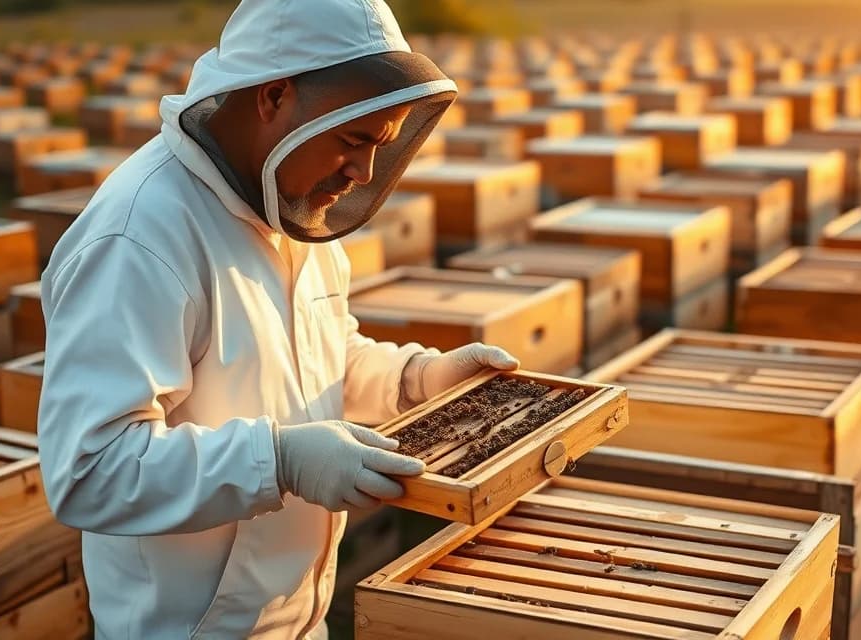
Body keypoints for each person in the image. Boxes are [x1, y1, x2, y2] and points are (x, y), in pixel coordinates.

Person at [36, 1, 519, 637]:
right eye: (353, 140)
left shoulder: (287, 205)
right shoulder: (139, 237)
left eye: (379, 146)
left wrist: (418, 379)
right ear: (273, 96)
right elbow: (91, 470)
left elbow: (318, 359)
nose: (364, 172)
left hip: (298, 621)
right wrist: (279, 460)